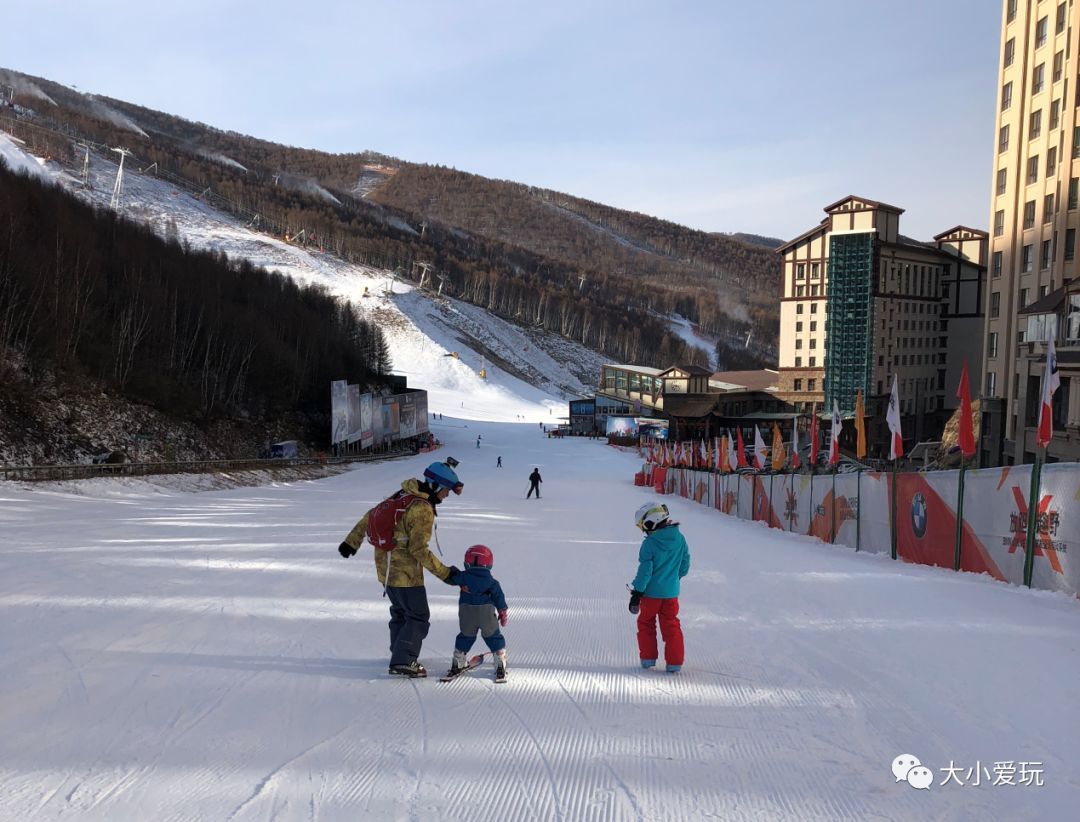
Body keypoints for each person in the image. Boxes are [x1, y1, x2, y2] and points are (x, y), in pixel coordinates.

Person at [338, 461, 464, 678]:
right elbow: (418, 550)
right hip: (405, 574)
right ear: (434, 486)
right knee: (418, 616)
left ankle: (399, 651)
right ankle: (403, 660)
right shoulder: (422, 509)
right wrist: (445, 573)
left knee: (400, 612)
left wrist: (352, 541)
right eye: (445, 491)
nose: (446, 496)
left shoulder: (403, 494)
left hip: (385, 569)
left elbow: (370, 515)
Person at [628, 501, 690, 673]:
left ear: (651, 522)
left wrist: (637, 593)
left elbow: (645, 571)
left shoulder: (650, 544)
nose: (644, 531)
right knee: (671, 626)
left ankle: (648, 659)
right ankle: (674, 663)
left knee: (646, 623)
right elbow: (685, 563)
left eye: (643, 527)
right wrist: (673, 579)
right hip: (671, 595)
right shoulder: (680, 538)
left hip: (650, 596)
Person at [448, 544, 509, 680]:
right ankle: (500, 660)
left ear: (467, 562)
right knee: (493, 636)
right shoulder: (492, 583)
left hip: (467, 614)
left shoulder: (462, 577)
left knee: (465, 636)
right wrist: (503, 612)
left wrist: (451, 572)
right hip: (486, 615)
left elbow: (451, 578)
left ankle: (458, 660)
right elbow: (499, 598)